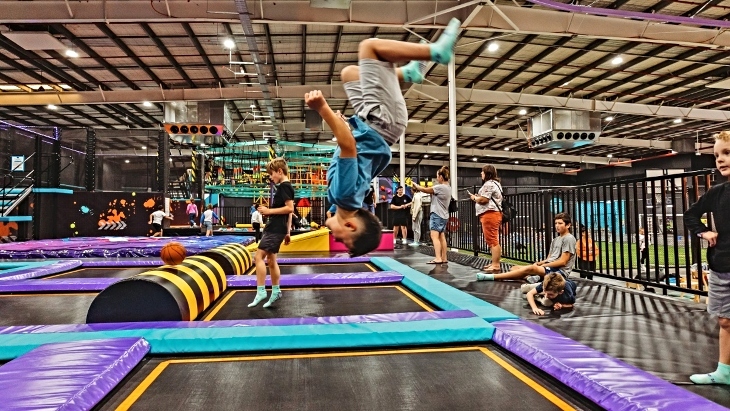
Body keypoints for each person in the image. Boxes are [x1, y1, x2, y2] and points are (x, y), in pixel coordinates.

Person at [305, 17, 461, 257]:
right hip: (383, 122)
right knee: (370, 48)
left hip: (369, 123)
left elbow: (354, 151)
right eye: (345, 242)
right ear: (351, 225)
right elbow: (347, 146)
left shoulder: (343, 203)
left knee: (349, 73)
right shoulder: (345, 196)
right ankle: (436, 52)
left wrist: (345, 124)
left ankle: (406, 72)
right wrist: (321, 108)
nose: (338, 241)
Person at [684, 130, 730, 385]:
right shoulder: (718, 192)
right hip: (722, 265)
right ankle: (724, 371)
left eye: (727, 153)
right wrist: (704, 232)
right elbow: (691, 215)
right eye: (716, 155)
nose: (720, 160)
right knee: (725, 320)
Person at [248, 157, 294, 309]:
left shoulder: (284, 186)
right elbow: (288, 213)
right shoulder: (284, 187)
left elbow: (290, 209)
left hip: (274, 228)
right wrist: (287, 232)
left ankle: (261, 290)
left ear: (280, 171)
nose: (271, 177)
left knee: (258, 257)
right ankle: (276, 290)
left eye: (272, 174)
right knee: (271, 261)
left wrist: (268, 211)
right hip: (277, 228)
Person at [477, 212, 576, 282]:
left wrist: (542, 266)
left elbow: (563, 262)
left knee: (528, 269)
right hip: (549, 267)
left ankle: (493, 277)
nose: (557, 226)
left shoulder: (569, 238)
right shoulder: (556, 239)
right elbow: (549, 258)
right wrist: (540, 263)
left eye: (560, 223)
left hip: (559, 272)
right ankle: (531, 278)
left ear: (568, 225)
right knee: (514, 268)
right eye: (556, 223)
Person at [412, 167, 451, 264]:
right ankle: (444, 258)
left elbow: (424, 190)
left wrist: (416, 185)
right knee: (442, 236)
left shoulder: (440, 187)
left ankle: (438, 258)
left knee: (434, 236)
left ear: (441, 177)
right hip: (444, 215)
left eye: (437, 176)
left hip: (437, 214)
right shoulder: (448, 187)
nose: (437, 178)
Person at [469, 165, 503, 273]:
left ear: (487, 173)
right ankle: (494, 263)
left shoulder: (489, 184)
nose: (481, 174)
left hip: (490, 214)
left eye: (482, 172)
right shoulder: (496, 183)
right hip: (492, 214)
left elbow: (484, 200)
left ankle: (496, 265)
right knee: (492, 240)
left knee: (493, 240)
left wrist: (475, 198)